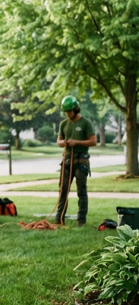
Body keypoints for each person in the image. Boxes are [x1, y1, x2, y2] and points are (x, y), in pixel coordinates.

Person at [55, 95, 96, 226]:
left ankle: (81, 221)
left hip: (81, 162)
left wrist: (76, 142)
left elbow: (93, 141)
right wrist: (62, 143)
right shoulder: (63, 124)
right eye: (65, 112)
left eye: (69, 112)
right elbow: (59, 140)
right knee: (63, 190)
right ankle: (59, 220)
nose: (67, 114)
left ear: (76, 109)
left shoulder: (86, 123)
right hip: (66, 161)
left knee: (81, 192)